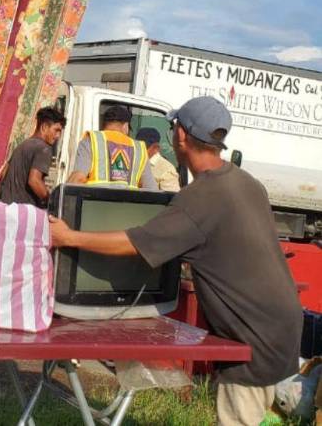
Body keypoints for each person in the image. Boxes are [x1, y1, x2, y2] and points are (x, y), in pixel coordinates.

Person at [49, 96, 302, 426]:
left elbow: (134, 243)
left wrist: (69, 237)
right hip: (283, 327)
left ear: (181, 135)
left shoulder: (199, 198)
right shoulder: (247, 182)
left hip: (253, 339)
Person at [67, 105, 158, 190]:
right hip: (127, 202)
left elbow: (77, 180)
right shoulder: (139, 149)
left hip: (94, 201)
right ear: (125, 126)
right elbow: (151, 188)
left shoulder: (92, 140)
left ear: (104, 124)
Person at [0, 107, 65, 208]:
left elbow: (4, 173)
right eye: (56, 130)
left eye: (60, 132)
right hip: (24, 211)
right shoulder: (44, 148)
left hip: (6, 208)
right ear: (44, 127)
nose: (58, 136)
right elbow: (34, 180)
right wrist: (50, 202)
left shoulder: (23, 145)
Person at [135, 127, 181, 192]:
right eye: (138, 146)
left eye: (144, 147)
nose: (140, 150)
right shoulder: (133, 160)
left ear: (156, 148)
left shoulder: (167, 169)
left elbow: (170, 196)